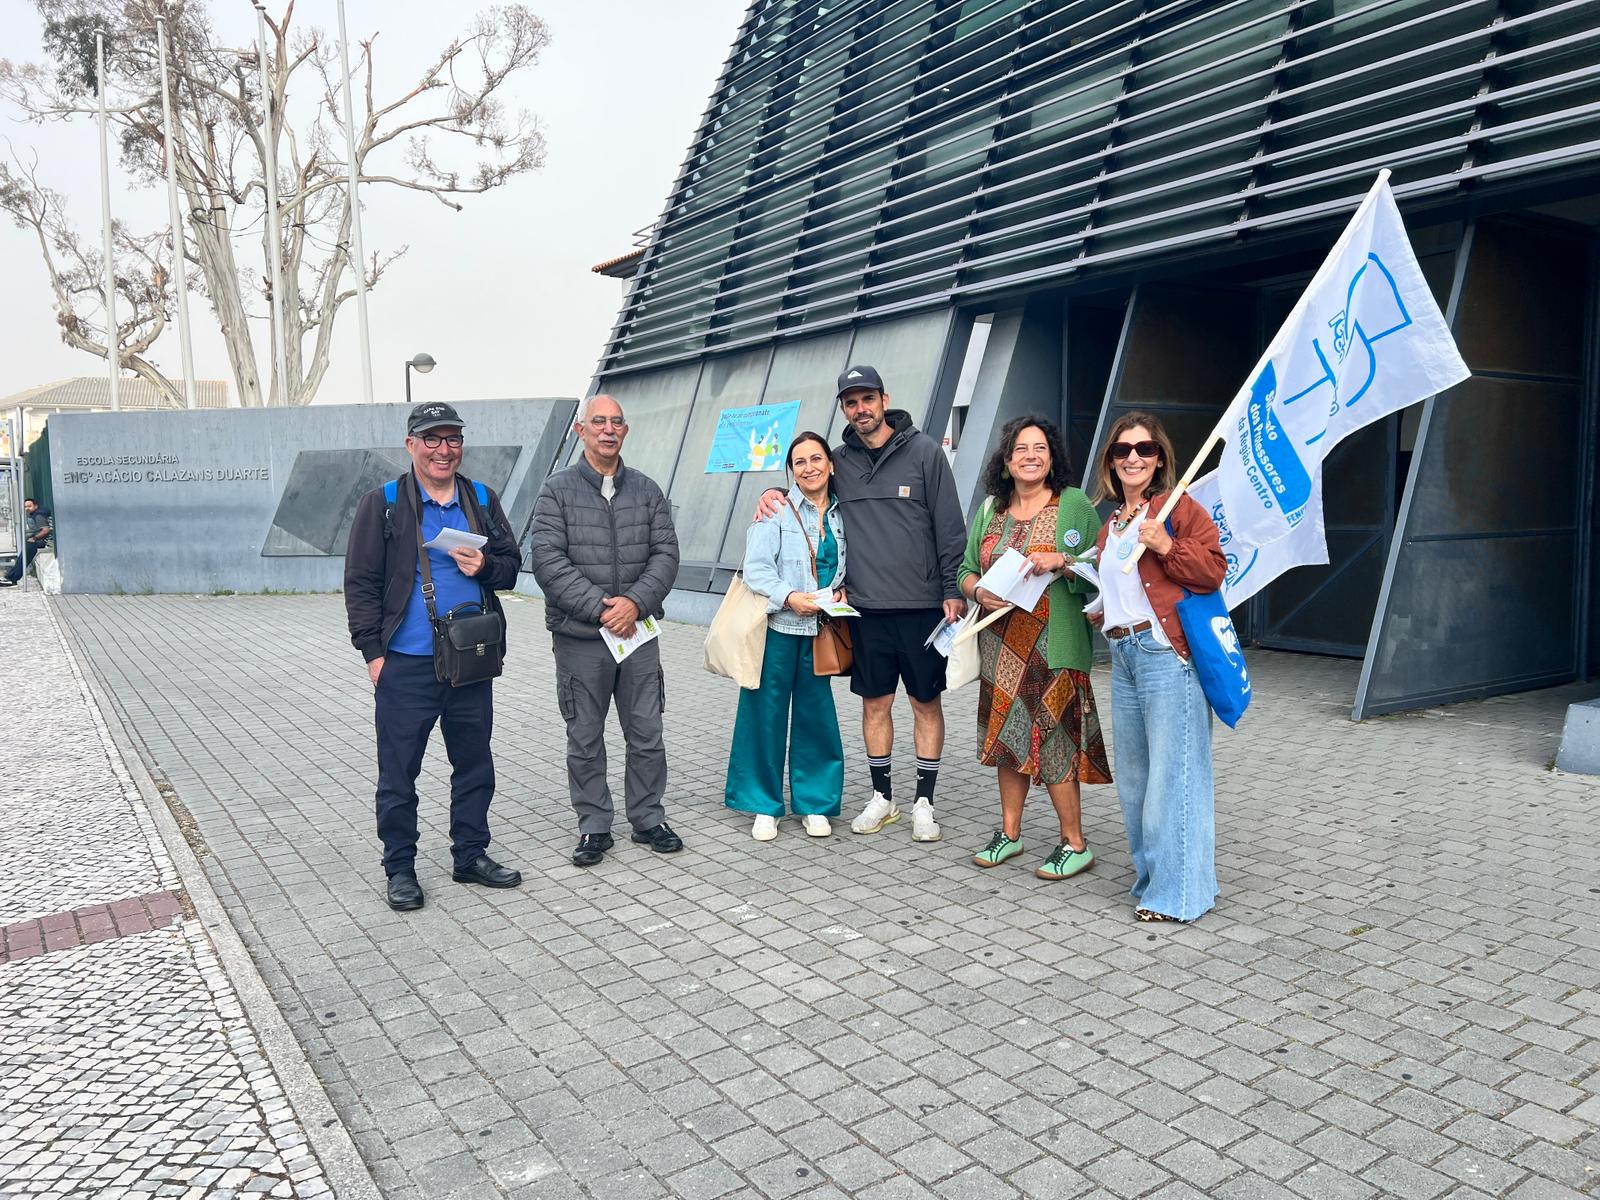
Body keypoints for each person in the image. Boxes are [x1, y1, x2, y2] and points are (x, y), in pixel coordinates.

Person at [756, 365, 966, 843]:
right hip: (864, 611)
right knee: (875, 705)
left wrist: (952, 589)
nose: (861, 409)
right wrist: (771, 492)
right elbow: (806, 487)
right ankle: (882, 798)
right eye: (851, 402)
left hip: (923, 608)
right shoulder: (839, 461)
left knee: (925, 703)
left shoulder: (926, 453)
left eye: (867, 399)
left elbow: (950, 527)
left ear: (883, 400)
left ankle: (924, 803)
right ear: (843, 409)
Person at [344, 401, 525, 912]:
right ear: (411, 445)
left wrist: (484, 565)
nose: (443, 450)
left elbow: (512, 568)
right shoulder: (383, 503)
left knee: (474, 765)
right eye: (432, 439)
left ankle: (470, 855)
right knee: (399, 775)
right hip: (405, 664)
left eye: (452, 439)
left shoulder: (481, 498)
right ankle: (400, 868)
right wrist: (373, 653)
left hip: (471, 658)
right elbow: (360, 582)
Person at [530, 394, 682, 868]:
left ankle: (648, 818)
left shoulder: (647, 490)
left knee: (647, 732)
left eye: (617, 422)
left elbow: (666, 554)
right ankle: (594, 825)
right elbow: (548, 562)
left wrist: (635, 603)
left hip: (637, 635)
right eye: (599, 421)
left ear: (626, 431)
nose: (608, 429)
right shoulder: (556, 491)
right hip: (580, 639)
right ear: (581, 430)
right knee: (585, 736)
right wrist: (604, 610)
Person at [959, 415, 1111, 879]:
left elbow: (1103, 565)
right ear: (1006, 461)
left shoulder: (1073, 504)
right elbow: (966, 569)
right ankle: (1010, 833)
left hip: (1055, 647)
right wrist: (978, 591)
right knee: (1008, 739)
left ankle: (1075, 842)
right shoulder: (991, 509)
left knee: (1056, 738)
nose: (1030, 456)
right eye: (1021, 449)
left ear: (1052, 457)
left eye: (1040, 448)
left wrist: (1062, 559)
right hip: (1001, 648)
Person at [1088, 411, 1226, 923]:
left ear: (1159, 458)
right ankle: (1155, 879)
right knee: (1136, 779)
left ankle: (1177, 895)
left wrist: (1168, 545)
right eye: (1122, 450)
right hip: (1123, 654)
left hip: (1165, 655)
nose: (1133, 458)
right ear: (1111, 461)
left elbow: (1213, 571)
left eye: (1144, 449)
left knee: (1175, 776)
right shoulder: (1110, 526)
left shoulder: (1178, 508)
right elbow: (1127, 589)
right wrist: (1103, 608)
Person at [726, 431, 848, 840]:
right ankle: (764, 804)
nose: (809, 468)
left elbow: (845, 565)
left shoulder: (843, 514)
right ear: (791, 471)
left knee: (817, 717)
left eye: (816, 459)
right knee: (764, 714)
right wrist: (790, 597)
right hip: (778, 628)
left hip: (820, 630)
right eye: (800, 462)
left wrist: (843, 591)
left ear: (830, 464)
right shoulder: (775, 509)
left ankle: (815, 804)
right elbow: (757, 569)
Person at [1, 499, 51, 587]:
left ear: (36, 506)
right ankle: (9, 577)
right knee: (21, 559)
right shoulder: (34, 514)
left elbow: (45, 530)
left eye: (29, 506)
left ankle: (13, 579)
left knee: (23, 559)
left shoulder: (38, 516)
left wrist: (34, 538)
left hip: (40, 542)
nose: (27, 508)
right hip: (37, 541)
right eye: (25, 507)